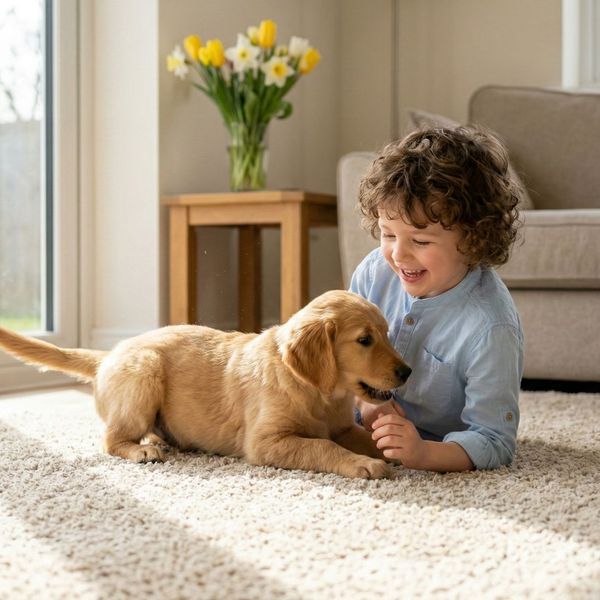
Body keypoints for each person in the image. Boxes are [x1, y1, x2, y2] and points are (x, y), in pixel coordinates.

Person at [351, 126, 524, 472]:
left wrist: (424, 454)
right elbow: (342, 357)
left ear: (473, 239)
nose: (398, 255)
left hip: (436, 441)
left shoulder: (491, 328)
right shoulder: (374, 272)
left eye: (421, 242)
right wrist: (368, 402)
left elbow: (494, 440)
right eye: (388, 234)